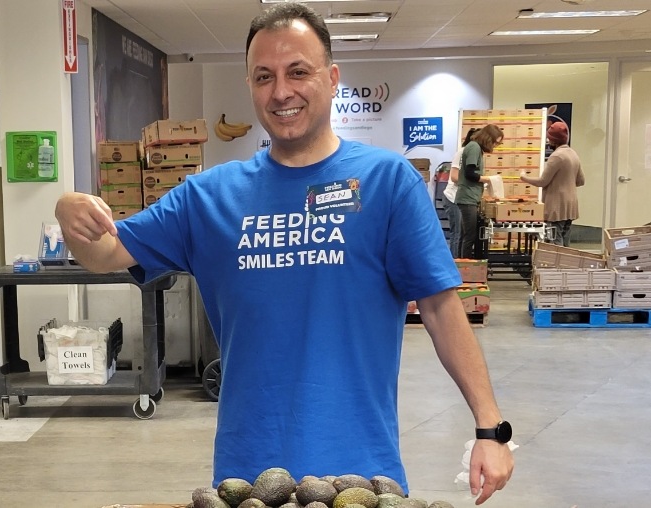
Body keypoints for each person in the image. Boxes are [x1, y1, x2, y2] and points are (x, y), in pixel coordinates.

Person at [55, 3, 513, 504]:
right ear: (250, 85)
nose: (281, 92)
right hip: (249, 478)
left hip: (361, 473)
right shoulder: (208, 198)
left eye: (299, 72)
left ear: (332, 77)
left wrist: (490, 428)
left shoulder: (387, 183)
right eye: (264, 76)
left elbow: (442, 309)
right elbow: (102, 253)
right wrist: (68, 210)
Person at [520, 121, 585, 246]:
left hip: (557, 206)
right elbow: (581, 181)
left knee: (555, 240)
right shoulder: (573, 154)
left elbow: (542, 182)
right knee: (565, 239)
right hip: (571, 205)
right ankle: (567, 264)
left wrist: (524, 178)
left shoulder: (556, 156)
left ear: (552, 140)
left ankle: (557, 265)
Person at [455, 125, 504, 259]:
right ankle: (466, 268)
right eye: (495, 142)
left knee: (466, 234)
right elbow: (470, 173)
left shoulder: (475, 148)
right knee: (470, 236)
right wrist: (488, 179)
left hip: (470, 197)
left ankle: (462, 265)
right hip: (467, 198)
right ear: (488, 138)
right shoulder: (474, 148)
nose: (495, 145)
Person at [443, 128, 479, 258]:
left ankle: (461, 264)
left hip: (463, 198)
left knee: (464, 234)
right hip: (453, 198)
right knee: (457, 233)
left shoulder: (475, 154)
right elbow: (454, 176)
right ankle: (454, 265)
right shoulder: (462, 153)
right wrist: (476, 181)